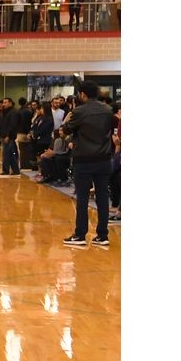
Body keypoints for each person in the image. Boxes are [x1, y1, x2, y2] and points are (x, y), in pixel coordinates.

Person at [61, 81, 117, 248]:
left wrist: (68, 117)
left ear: (83, 94)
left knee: (83, 199)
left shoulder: (79, 111)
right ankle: (102, 235)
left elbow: (65, 130)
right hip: (104, 160)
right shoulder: (108, 110)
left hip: (84, 160)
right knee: (102, 199)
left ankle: (80, 235)